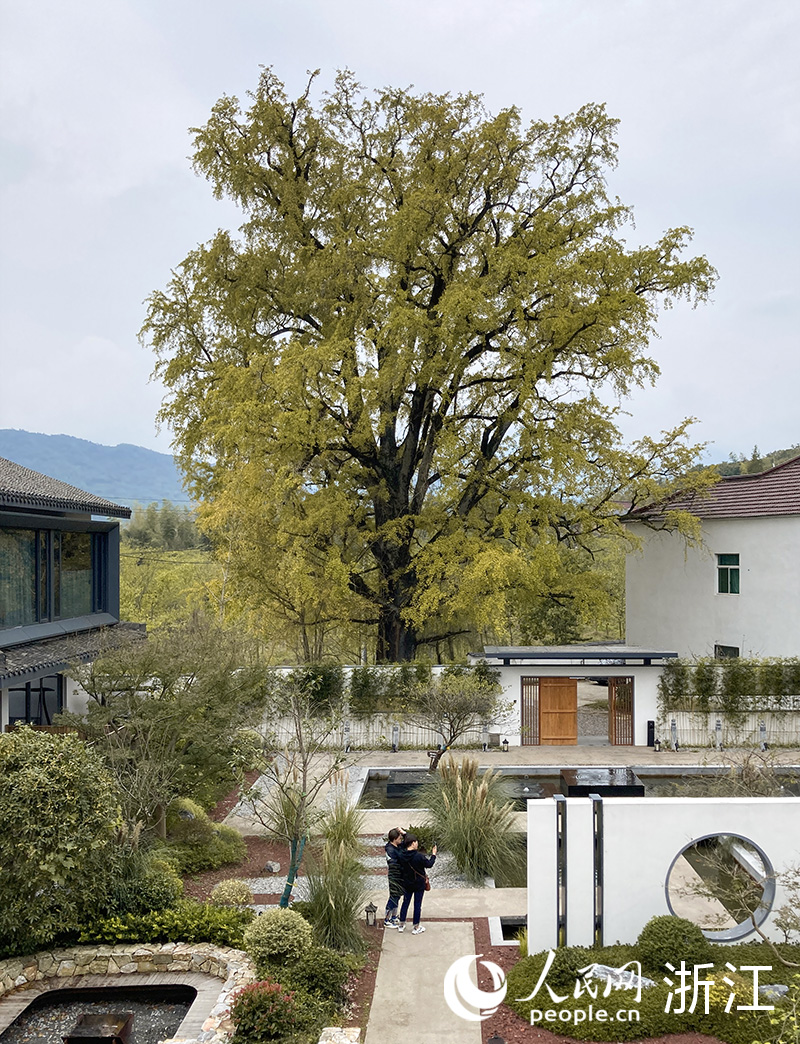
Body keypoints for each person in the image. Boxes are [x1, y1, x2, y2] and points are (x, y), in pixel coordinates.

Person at [397, 833, 437, 935]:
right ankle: (416, 927)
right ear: (413, 843)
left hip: (407, 883)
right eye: (416, 842)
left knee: (405, 903)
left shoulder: (402, 855)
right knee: (417, 905)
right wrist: (433, 854)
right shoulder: (419, 856)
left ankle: (401, 924)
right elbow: (429, 864)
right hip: (418, 884)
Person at [383, 826, 405, 928]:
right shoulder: (390, 850)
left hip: (399, 876)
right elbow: (394, 865)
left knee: (397, 896)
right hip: (394, 876)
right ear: (395, 839)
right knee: (393, 897)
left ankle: (393, 916)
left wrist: (404, 833)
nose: (401, 839)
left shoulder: (397, 846)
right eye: (400, 838)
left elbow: (409, 841)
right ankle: (387, 919)